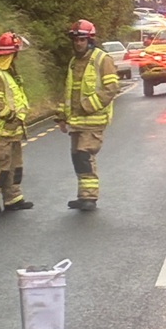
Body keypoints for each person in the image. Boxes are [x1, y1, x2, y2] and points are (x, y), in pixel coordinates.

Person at [56, 19, 120, 210]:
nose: (78, 43)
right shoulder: (74, 62)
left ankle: (90, 198)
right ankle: (84, 195)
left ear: (90, 40)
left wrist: (87, 106)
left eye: (82, 39)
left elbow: (111, 88)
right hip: (75, 121)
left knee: (84, 155)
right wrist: (61, 116)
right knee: (77, 158)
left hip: (93, 120)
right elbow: (68, 91)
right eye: (75, 39)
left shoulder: (102, 59)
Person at [0, 32, 34, 214]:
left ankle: (13, 198)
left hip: (13, 131)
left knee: (14, 166)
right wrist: (10, 116)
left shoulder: (8, 73)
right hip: (0, 131)